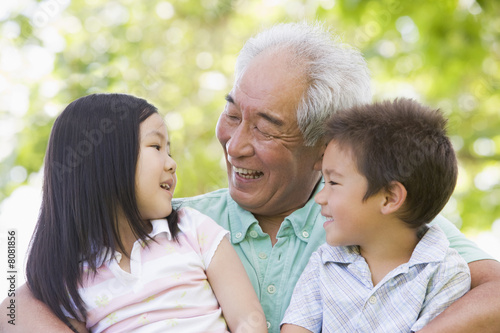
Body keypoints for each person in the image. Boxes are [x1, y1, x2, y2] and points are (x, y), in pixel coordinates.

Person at [3, 22, 500, 333]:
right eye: (233, 113)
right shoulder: (179, 224)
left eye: (266, 128)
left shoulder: (366, 221)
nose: (235, 143)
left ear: (324, 146)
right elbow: (22, 301)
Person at [21, 93, 267, 333]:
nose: (172, 163)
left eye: (168, 150)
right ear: (107, 163)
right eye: (156, 146)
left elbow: (248, 320)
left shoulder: (193, 229)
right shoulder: (70, 282)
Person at [281, 98, 471, 333]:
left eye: (333, 182)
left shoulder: (446, 274)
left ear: (389, 198)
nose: (320, 197)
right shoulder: (324, 262)